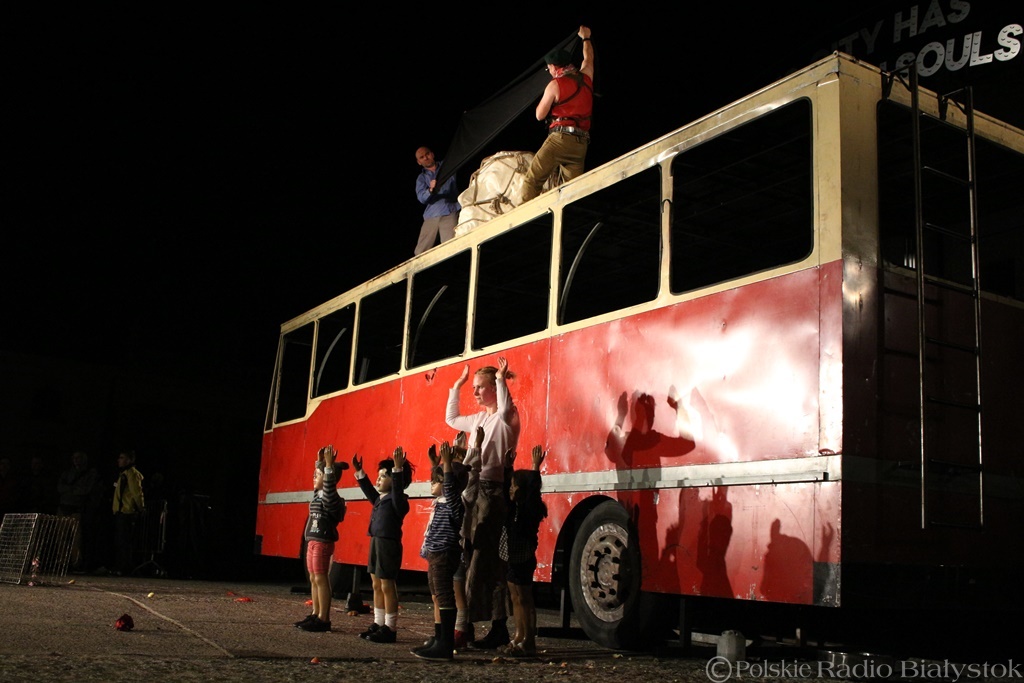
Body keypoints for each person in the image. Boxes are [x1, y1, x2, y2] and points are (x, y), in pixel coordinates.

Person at [445, 357, 521, 649]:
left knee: (486, 562)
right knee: (472, 559)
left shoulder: (507, 416)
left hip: (492, 491)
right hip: (473, 489)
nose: (474, 393)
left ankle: (496, 626)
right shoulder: (478, 419)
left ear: (493, 388)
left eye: (479, 388)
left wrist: (502, 380)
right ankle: (474, 625)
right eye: (473, 388)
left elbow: (504, 407)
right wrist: (456, 385)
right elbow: (451, 420)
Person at [521, 26, 595, 203]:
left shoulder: (555, 85)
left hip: (560, 140)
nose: (550, 71)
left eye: (549, 69)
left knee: (532, 180)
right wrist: (586, 38)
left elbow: (539, 115)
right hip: (581, 144)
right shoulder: (586, 76)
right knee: (571, 191)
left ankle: (522, 225)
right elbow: (588, 58)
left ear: (554, 67)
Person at [412, 438, 469, 661]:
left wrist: (445, 464)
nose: (432, 483)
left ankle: (445, 645)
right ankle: (438, 639)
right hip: (435, 554)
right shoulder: (443, 501)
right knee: (436, 595)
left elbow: (449, 486)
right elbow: (445, 484)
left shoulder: (454, 502)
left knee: (445, 596)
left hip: (445, 554)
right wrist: (436, 462)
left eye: (437, 480)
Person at [353, 447, 411, 643]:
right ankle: (378, 623)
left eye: (383, 476)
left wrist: (397, 470)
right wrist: (360, 472)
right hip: (375, 541)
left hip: (388, 544)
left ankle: (390, 627)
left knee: (387, 585)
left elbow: (397, 489)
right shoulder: (379, 499)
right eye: (378, 476)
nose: (378, 480)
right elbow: (369, 489)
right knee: (376, 584)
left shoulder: (399, 500)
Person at [497, 445, 548, 656]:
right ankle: (518, 634)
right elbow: (503, 489)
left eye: (515, 486)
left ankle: (528, 640)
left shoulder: (529, 509)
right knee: (515, 596)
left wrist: (535, 467)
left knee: (525, 597)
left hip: (523, 557)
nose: (510, 489)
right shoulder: (512, 508)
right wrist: (508, 467)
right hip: (510, 556)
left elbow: (534, 491)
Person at [295, 444, 349, 633]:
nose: (314, 477)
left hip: (322, 543)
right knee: (313, 578)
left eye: (317, 475)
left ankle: (324, 618)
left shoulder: (330, 498)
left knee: (321, 578)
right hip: (312, 542)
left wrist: (327, 467)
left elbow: (328, 488)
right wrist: (319, 462)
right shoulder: (317, 496)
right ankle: (315, 613)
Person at [56, 451, 101, 572]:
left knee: (76, 540)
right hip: (63, 507)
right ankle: (62, 563)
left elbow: (85, 490)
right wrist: (73, 489)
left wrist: (70, 490)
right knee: (61, 538)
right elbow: (59, 488)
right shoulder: (67, 473)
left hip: (76, 509)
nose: (76, 460)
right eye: (74, 458)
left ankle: (75, 564)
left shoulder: (89, 473)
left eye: (79, 458)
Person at [414, 146, 461, 255]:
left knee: (450, 247)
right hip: (432, 215)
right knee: (420, 252)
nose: (425, 158)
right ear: (419, 162)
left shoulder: (446, 165)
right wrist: (430, 190)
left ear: (432, 154)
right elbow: (421, 198)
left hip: (450, 211)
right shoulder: (421, 178)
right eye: (422, 157)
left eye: (427, 154)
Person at [111, 450, 144, 576]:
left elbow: (137, 492)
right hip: (121, 511)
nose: (119, 460)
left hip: (127, 512)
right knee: (120, 541)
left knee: (125, 541)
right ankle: (121, 566)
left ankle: (125, 568)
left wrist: (141, 508)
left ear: (129, 460)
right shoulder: (123, 474)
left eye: (122, 458)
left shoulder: (131, 474)